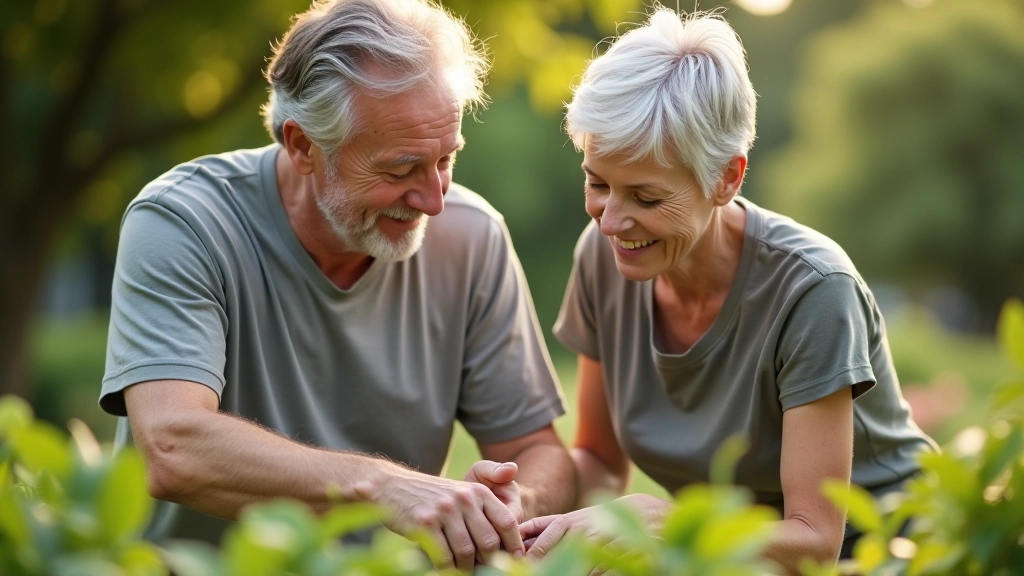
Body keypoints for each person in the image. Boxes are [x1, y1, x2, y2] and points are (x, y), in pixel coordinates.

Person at [97, 0, 575, 570]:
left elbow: (538, 451)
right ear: (302, 146)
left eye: (446, 159)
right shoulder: (183, 222)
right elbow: (174, 445)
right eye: (399, 171)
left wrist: (509, 503)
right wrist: (380, 486)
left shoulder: (474, 237)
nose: (434, 199)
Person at [518, 8, 938, 574]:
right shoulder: (603, 258)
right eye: (598, 183)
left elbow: (814, 540)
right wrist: (522, 512)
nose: (611, 220)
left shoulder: (813, 291)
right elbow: (596, 460)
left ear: (728, 178)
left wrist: (665, 523)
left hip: (887, 553)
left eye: (645, 198)